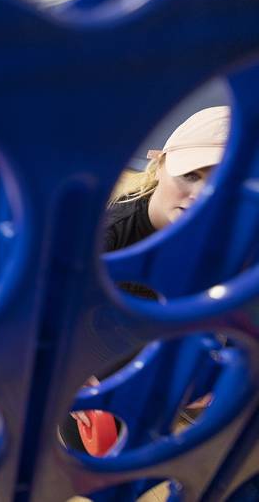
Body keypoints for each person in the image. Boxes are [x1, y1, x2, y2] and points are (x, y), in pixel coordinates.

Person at [63, 106, 229, 453]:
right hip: (93, 368)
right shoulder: (105, 235)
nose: (200, 196)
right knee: (90, 453)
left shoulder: (222, 240)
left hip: (154, 357)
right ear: (160, 165)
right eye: (192, 175)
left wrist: (216, 367)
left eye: (219, 184)